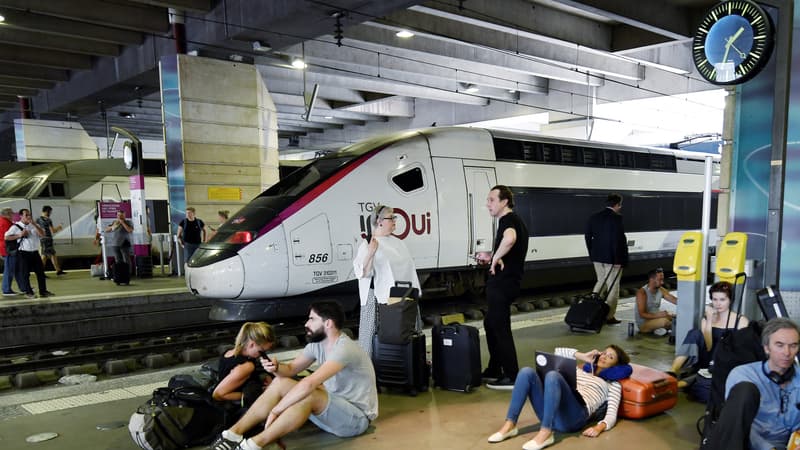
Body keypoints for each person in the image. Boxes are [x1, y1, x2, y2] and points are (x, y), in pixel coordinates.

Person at [207, 301, 378, 450]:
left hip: (355, 420)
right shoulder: (316, 346)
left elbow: (309, 384)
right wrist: (275, 367)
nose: (306, 323)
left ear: (328, 323)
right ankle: (232, 434)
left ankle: (252, 445)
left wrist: (276, 410)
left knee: (307, 392)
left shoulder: (344, 348)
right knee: (281, 382)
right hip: (330, 411)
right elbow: (289, 369)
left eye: (312, 319)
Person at [487, 345, 632, 450]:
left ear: (616, 365)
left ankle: (546, 432)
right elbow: (558, 351)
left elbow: (612, 413)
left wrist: (599, 427)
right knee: (526, 372)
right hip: (551, 413)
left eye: (610, 356)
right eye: (604, 352)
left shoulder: (612, 384)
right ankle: (510, 425)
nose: (605, 356)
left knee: (553, 375)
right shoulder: (580, 370)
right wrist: (582, 356)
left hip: (574, 417)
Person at [704, 317, 800, 450]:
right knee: (745, 390)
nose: (787, 353)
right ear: (766, 348)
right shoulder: (743, 375)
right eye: (779, 345)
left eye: (793, 345)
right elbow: (735, 424)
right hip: (746, 444)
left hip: (787, 445)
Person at [476, 185, 528, 390]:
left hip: (503, 283)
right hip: (507, 282)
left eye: (491, 200)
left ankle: (512, 375)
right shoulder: (514, 220)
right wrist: (492, 256)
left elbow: (510, 239)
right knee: (490, 323)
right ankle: (495, 368)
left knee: (500, 328)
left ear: (504, 201)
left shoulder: (508, 221)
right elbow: (510, 246)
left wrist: (495, 258)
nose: (487, 204)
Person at [353, 204, 421, 357]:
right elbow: (362, 272)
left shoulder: (398, 243)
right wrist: (370, 252)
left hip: (404, 295)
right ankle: (370, 367)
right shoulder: (369, 243)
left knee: (405, 330)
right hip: (378, 299)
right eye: (392, 218)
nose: (395, 221)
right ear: (379, 221)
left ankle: (407, 362)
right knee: (372, 334)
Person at [669, 281, 748, 388]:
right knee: (694, 333)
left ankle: (678, 385)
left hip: (724, 362)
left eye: (722, 299)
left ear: (730, 300)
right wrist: (710, 320)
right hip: (707, 359)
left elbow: (741, 351)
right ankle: (672, 372)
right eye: (715, 299)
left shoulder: (741, 321)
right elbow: (709, 346)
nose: (718, 303)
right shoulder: (707, 318)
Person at [584, 193, 628, 325]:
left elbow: (587, 236)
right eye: (620, 205)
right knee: (613, 286)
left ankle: (591, 309)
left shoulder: (594, 217)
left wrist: (592, 253)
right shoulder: (616, 219)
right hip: (612, 259)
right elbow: (618, 241)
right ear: (617, 205)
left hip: (597, 257)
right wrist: (619, 260)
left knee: (601, 281)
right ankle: (609, 316)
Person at [213, 322, 277, 409]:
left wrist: (267, 377)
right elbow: (218, 394)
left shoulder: (229, 352)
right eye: (261, 351)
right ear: (252, 344)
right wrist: (257, 393)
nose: (262, 354)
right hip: (240, 406)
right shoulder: (246, 366)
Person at [8, 209, 52, 298]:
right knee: (25, 273)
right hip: (23, 253)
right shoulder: (16, 226)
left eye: (29, 215)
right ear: (21, 216)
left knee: (40, 272)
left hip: (35, 252)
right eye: (26, 215)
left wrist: (35, 224)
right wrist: (19, 235)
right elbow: (7, 237)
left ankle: (43, 291)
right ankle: (28, 292)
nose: (28, 217)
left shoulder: (34, 225)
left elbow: (43, 234)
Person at [634, 268, 678, 335]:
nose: (662, 282)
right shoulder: (642, 293)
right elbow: (642, 314)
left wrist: (688, 303)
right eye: (660, 280)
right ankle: (679, 329)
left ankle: (659, 329)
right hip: (644, 323)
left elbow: (673, 299)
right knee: (665, 322)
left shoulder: (661, 289)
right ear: (651, 280)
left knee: (675, 317)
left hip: (656, 318)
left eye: (662, 279)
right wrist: (658, 315)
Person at [36, 205, 65, 275]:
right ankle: (41, 272)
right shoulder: (48, 220)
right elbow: (53, 231)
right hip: (47, 239)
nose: (50, 214)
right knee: (44, 256)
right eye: (50, 212)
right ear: (47, 211)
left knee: (52, 254)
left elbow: (37, 230)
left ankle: (58, 270)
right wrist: (59, 227)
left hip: (42, 239)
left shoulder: (37, 219)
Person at [0, 208, 21, 296]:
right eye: (12, 213)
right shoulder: (5, 223)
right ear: (7, 214)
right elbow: (7, 236)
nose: (13, 214)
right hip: (8, 249)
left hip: (6, 248)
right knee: (9, 269)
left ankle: (23, 286)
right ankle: (6, 289)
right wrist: (20, 235)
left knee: (15, 269)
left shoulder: (3, 221)